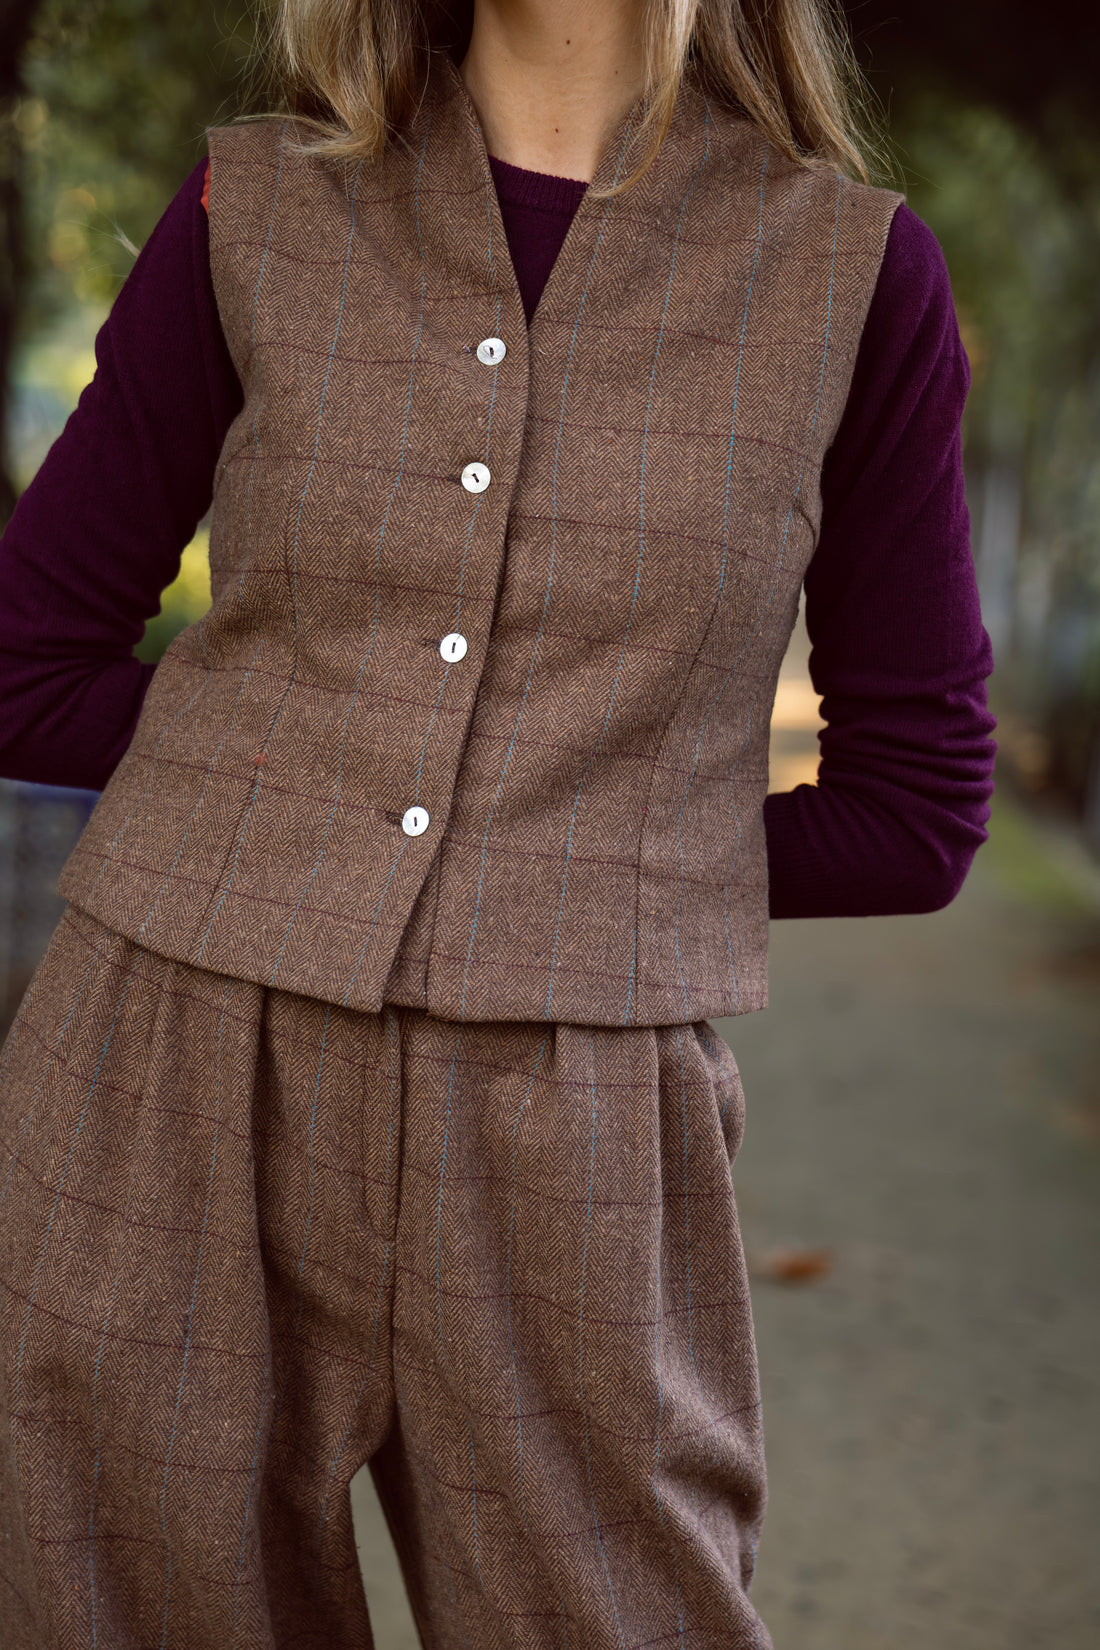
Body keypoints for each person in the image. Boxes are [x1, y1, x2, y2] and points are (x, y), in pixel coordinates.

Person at [0, 1, 996, 1645]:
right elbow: (28, 666)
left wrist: (586, 875)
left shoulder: (848, 275)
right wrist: (284, 806)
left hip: (580, 1113)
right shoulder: (259, 204)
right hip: (169, 1063)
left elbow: (918, 812)